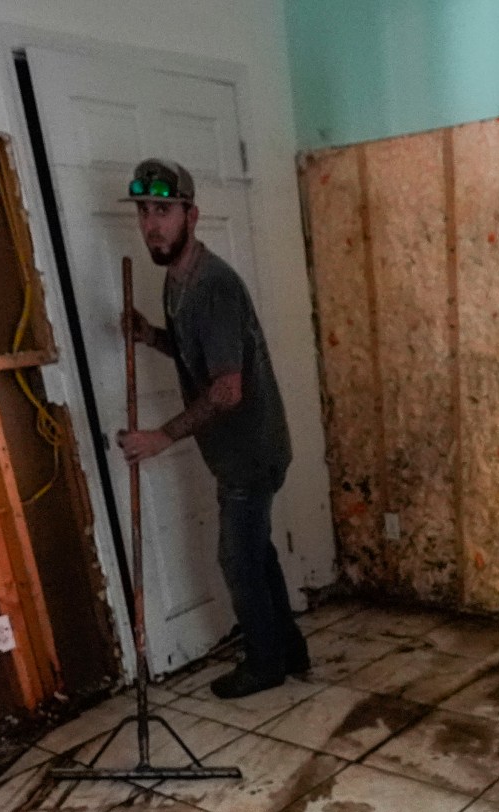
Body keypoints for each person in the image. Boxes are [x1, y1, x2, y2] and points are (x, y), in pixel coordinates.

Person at [116, 158, 308, 699]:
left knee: (238, 557)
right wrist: (151, 334)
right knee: (256, 552)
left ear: (191, 215)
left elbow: (227, 389)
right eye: (145, 212)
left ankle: (266, 663)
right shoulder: (176, 283)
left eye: (165, 210)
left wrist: (162, 438)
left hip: (250, 450)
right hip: (235, 451)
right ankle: (289, 650)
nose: (153, 223)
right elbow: (197, 353)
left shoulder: (212, 287)